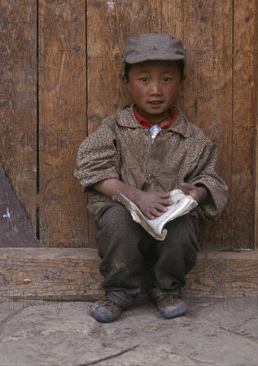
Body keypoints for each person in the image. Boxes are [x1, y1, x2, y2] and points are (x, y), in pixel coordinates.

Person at [74, 33, 228, 323]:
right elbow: (91, 169)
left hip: (170, 218)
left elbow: (213, 179)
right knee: (117, 223)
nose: (156, 90)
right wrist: (136, 196)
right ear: (127, 82)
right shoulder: (113, 130)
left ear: (181, 81)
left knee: (182, 229)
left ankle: (168, 288)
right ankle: (119, 290)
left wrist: (198, 193)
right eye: (144, 79)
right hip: (124, 210)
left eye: (166, 79)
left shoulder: (194, 139)